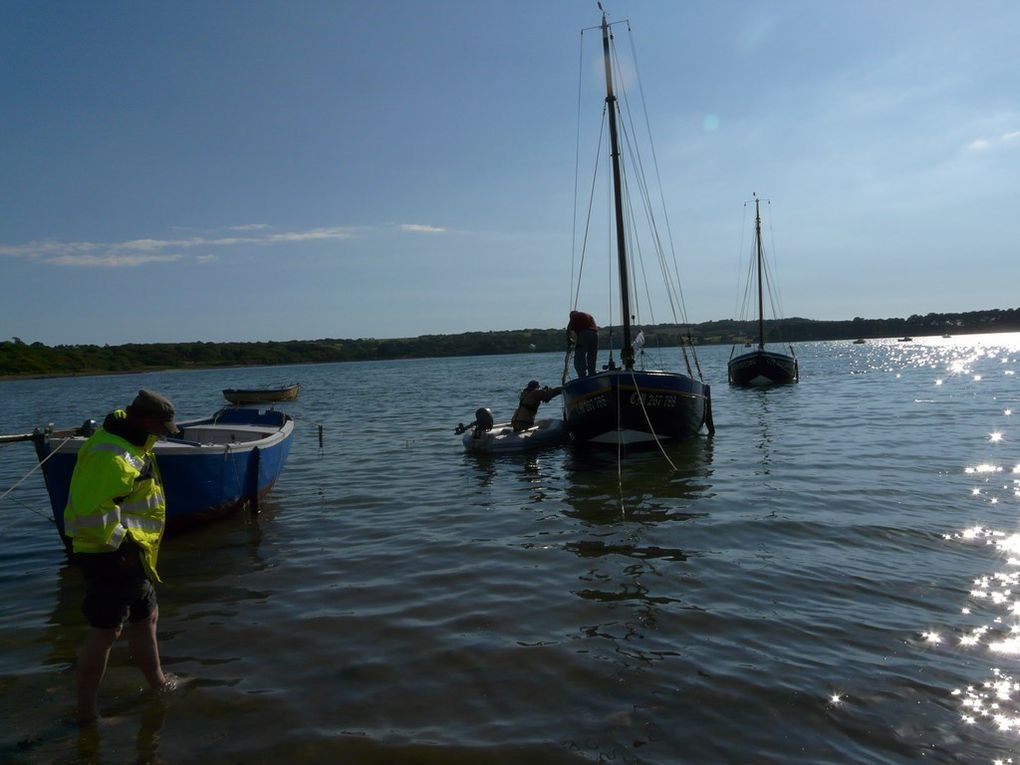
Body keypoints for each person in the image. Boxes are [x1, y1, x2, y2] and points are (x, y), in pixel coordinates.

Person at [66, 389, 179, 723]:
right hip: (109, 554)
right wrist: (122, 548)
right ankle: (88, 714)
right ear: (144, 420)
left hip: (134, 554)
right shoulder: (111, 455)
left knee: (148, 617)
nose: (162, 434)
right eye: (161, 427)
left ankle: (159, 684)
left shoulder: (133, 441)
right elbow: (91, 512)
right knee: (105, 632)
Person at [567, 310, 599, 378]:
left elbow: (568, 330)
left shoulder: (574, 316)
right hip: (595, 334)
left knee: (579, 356)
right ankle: (592, 373)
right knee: (592, 356)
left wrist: (569, 343)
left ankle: (582, 376)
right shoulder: (588, 315)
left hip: (584, 334)